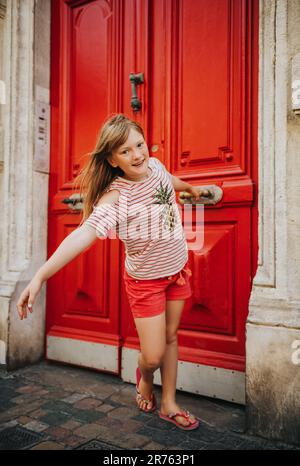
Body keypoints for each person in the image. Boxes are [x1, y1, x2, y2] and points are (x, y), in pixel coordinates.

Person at [17, 113, 207, 431]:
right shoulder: (116, 199)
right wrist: (40, 276)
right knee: (153, 355)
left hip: (177, 269)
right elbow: (82, 235)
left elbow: (168, 179)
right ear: (112, 159)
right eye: (125, 151)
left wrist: (189, 187)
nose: (137, 155)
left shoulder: (156, 166)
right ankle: (144, 376)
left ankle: (169, 403)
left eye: (139, 144)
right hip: (145, 282)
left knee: (172, 337)